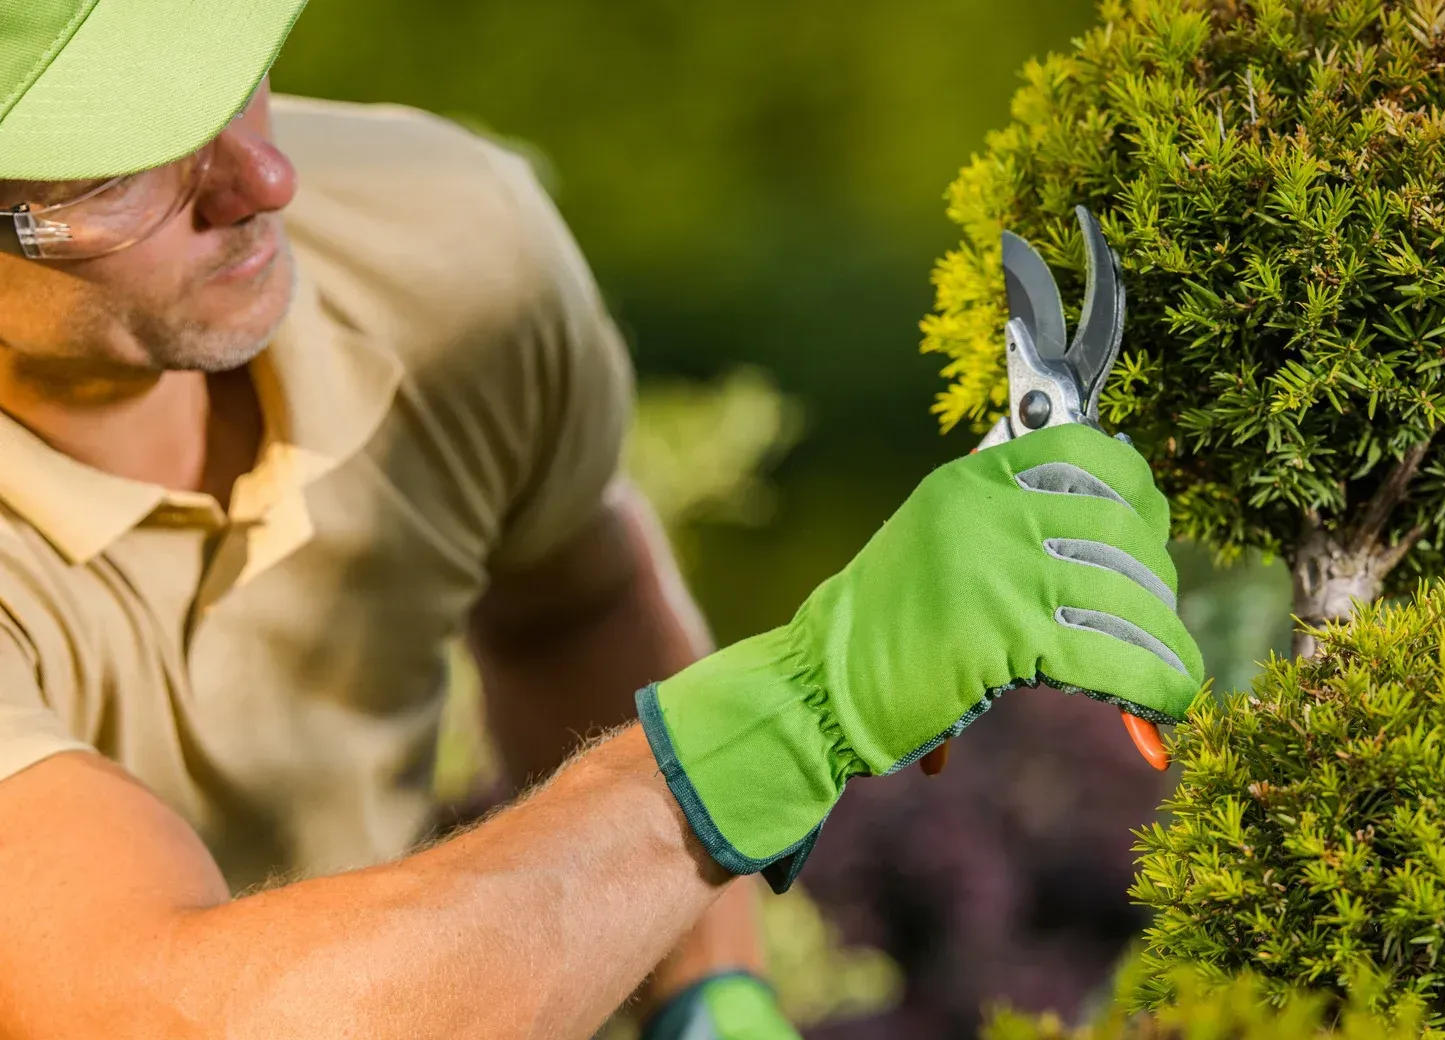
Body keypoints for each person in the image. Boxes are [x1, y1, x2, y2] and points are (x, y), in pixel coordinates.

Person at [0, 4, 1203, 1039]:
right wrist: (787, 720)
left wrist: (706, 987)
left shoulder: (441, 248)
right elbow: (156, 1010)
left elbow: (573, 606)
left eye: (230, 73)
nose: (263, 180)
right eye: (122, 168)